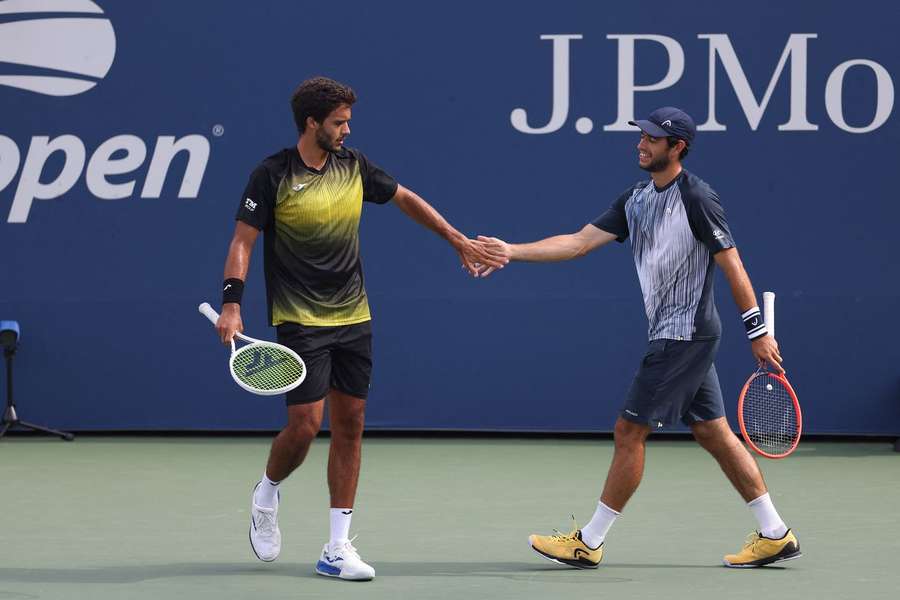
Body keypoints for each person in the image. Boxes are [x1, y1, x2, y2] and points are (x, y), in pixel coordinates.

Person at [476, 107, 801, 569]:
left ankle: (589, 541)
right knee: (714, 433)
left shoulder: (698, 198)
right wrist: (511, 251)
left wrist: (758, 332)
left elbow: (733, 264)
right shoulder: (636, 199)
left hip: (682, 336)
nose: (641, 143)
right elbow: (577, 242)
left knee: (629, 431)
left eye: (652, 138)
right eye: (641, 136)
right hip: (683, 335)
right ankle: (775, 533)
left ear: (677, 148)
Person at [214, 76, 505, 581]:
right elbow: (242, 242)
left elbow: (406, 198)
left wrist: (456, 239)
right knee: (304, 426)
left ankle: (336, 546)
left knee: (350, 424)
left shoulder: (355, 167)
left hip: (354, 317)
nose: (347, 130)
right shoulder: (272, 174)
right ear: (312, 123)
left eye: (348, 121)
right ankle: (266, 491)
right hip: (301, 319)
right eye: (339, 122)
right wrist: (232, 305)